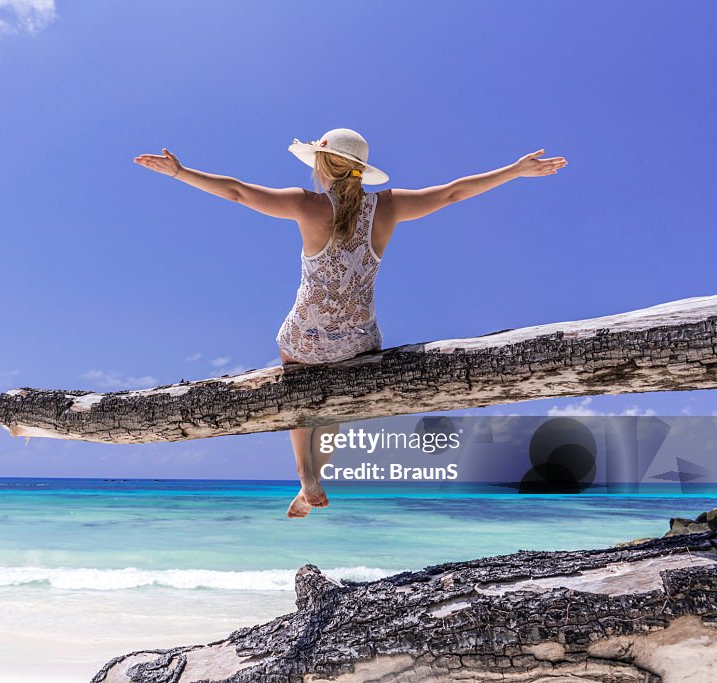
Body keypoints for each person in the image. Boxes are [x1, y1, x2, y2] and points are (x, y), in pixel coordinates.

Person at [133, 128, 567, 519]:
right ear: (361, 170)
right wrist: (514, 170)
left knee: (297, 391)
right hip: (360, 341)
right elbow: (453, 193)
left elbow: (237, 193)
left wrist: (180, 171)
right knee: (334, 408)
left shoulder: (306, 205)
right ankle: (314, 477)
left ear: (322, 163)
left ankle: (304, 474)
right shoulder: (390, 207)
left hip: (305, 336)